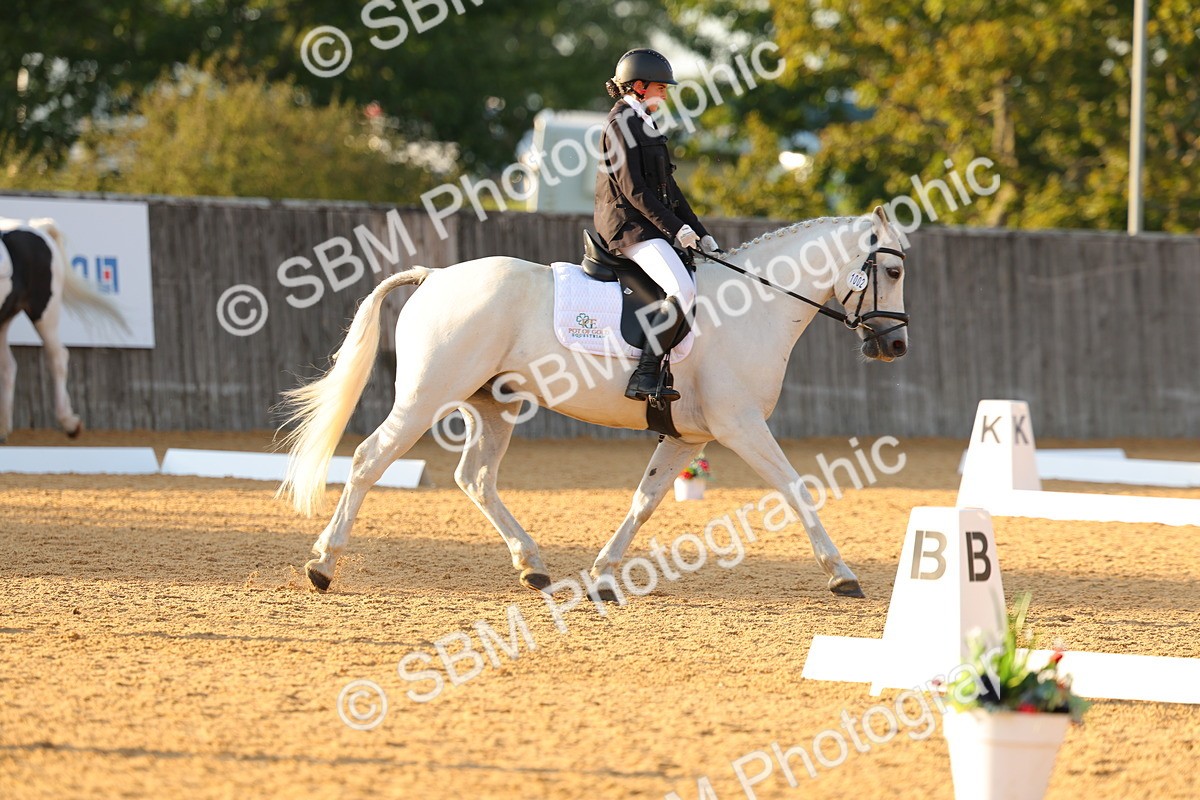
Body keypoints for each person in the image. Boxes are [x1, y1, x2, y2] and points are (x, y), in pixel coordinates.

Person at [594, 48, 719, 404]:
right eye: (660, 87)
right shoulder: (620, 125)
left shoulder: (644, 124)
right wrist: (676, 230)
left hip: (648, 225)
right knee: (682, 289)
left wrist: (700, 230)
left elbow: (670, 188)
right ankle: (645, 374)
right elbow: (634, 189)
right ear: (637, 86)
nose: (665, 93)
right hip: (627, 227)